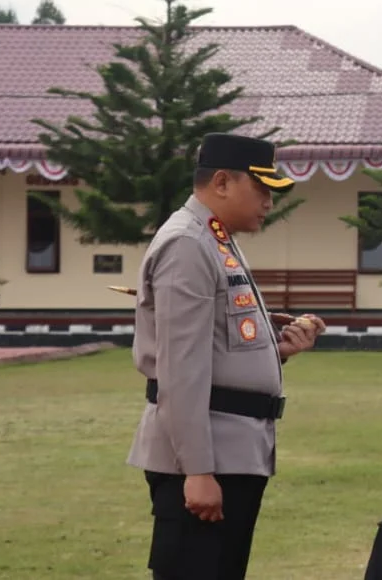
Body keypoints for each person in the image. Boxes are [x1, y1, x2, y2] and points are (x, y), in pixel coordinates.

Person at [127, 132, 325, 580]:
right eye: (261, 190)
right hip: (205, 458)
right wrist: (196, 470)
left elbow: (215, 347)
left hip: (234, 452)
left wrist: (277, 353)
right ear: (221, 182)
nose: (269, 203)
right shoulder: (187, 244)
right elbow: (180, 369)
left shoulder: (215, 240)